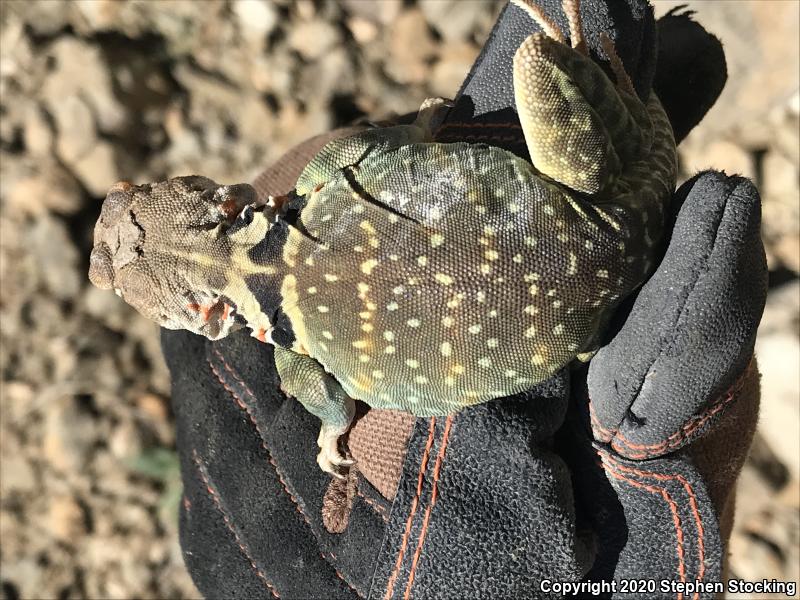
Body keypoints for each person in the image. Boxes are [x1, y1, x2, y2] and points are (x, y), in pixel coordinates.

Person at [163, 1, 766, 597]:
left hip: (590, 329)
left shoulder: (296, 362)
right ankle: (631, 108)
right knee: (535, 60)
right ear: (222, 201)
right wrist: (422, 130)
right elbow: (369, 148)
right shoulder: (321, 186)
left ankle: (640, 125)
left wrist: (329, 435)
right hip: (593, 190)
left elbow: (331, 405)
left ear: (209, 317)